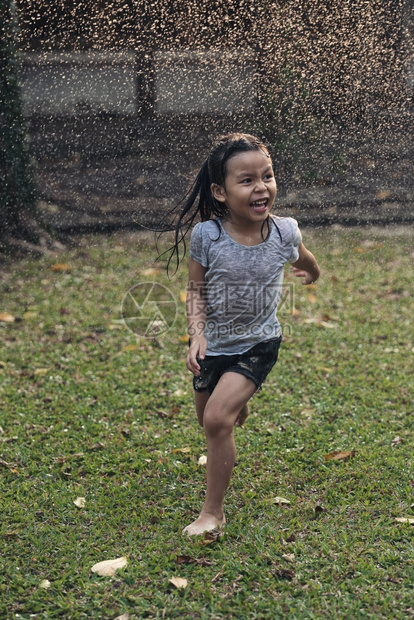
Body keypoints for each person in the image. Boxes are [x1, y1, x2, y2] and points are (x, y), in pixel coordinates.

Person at [164, 133, 320, 536]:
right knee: (208, 418)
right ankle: (234, 406)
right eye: (246, 180)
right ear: (220, 191)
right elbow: (196, 292)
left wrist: (312, 273)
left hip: (259, 342)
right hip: (213, 345)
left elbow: (304, 257)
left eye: (266, 176)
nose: (261, 187)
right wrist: (196, 336)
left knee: (216, 420)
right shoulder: (208, 237)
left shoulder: (284, 232)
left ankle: (212, 513)